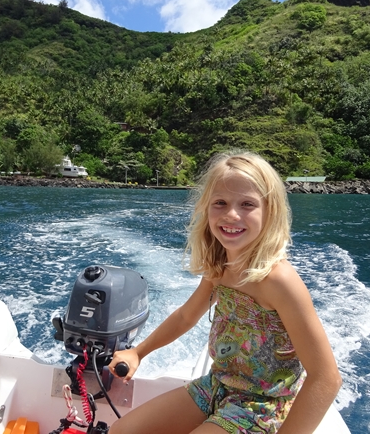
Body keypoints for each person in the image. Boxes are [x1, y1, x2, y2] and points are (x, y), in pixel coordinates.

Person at [108, 151, 342, 434]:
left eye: (247, 204)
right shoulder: (220, 266)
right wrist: (138, 352)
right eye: (220, 203)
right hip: (218, 385)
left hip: (263, 404)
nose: (232, 215)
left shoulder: (278, 280)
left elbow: (326, 377)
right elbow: (185, 317)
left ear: (270, 211)